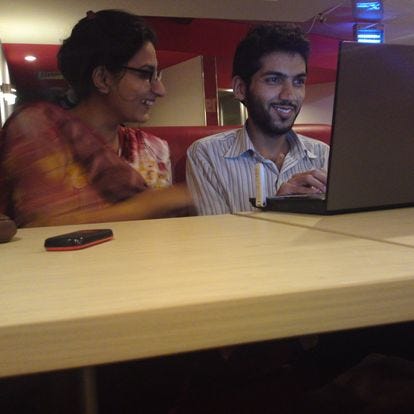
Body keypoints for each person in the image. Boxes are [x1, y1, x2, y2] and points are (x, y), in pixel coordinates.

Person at [0, 9, 192, 228]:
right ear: (103, 78)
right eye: (144, 74)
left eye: (157, 76)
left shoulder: (154, 149)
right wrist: (151, 204)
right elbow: (41, 228)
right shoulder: (35, 129)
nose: (160, 90)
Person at [186, 23, 329, 215]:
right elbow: (218, 241)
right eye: (273, 80)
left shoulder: (322, 154)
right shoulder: (206, 155)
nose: (289, 95)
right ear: (241, 88)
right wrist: (278, 207)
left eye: (298, 82)